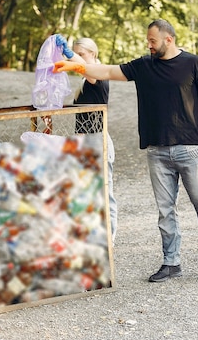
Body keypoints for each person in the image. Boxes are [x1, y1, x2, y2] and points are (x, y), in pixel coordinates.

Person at [54, 19, 198, 282]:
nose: (148, 45)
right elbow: (109, 72)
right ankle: (171, 263)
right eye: (147, 40)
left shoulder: (194, 63)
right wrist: (79, 65)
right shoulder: (144, 65)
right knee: (165, 211)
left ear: (168, 39)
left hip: (190, 148)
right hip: (157, 150)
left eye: (152, 41)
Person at [71, 37, 119, 244]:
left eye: (81, 54)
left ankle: (109, 237)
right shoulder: (85, 79)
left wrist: (70, 56)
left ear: (93, 53)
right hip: (84, 141)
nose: (77, 59)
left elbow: (86, 71)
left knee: (104, 190)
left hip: (98, 140)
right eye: (76, 54)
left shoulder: (97, 74)